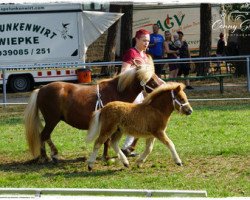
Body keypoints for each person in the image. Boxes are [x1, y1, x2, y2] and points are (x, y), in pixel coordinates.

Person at [121, 29, 151, 157]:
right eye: (144, 40)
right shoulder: (131, 53)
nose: (146, 43)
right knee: (133, 120)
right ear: (136, 39)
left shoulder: (145, 56)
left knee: (136, 121)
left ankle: (127, 148)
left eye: (148, 41)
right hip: (130, 92)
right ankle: (125, 147)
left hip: (141, 92)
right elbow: (123, 72)